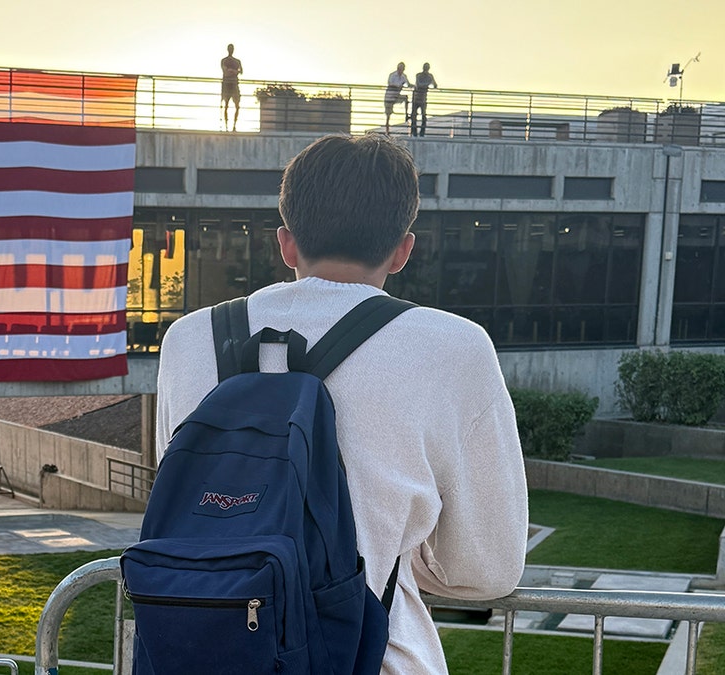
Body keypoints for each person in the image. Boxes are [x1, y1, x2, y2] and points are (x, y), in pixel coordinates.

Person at [154, 134, 528, 674]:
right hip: (372, 657)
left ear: (286, 244)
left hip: (202, 652)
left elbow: (179, 506)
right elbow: (488, 568)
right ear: (403, 250)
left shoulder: (187, 339)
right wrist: (388, 546)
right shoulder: (454, 347)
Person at [220, 44, 243, 132]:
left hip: (234, 85)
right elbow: (225, 71)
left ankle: (234, 125)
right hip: (227, 85)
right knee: (226, 105)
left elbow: (241, 71)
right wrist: (234, 71)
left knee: (237, 106)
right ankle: (226, 126)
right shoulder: (224, 60)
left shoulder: (237, 61)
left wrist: (232, 71)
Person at [411, 63, 438, 136]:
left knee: (423, 116)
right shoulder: (419, 75)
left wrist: (430, 83)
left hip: (423, 98)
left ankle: (422, 132)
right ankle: (414, 132)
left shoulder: (430, 76)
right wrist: (427, 85)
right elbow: (418, 84)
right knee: (414, 115)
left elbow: (435, 85)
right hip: (416, 97)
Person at [384, 62, 411, 133]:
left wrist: (414, 86)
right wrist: (398, 86)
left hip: (396, 96)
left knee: (405, 98)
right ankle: (387, 131)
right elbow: (390, 84)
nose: (401, 70)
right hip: (389, 96)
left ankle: (406, 114)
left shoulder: (404, 76)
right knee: (388, 115)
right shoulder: (392, 75)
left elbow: (408, 84)